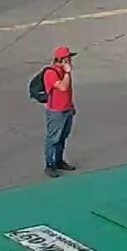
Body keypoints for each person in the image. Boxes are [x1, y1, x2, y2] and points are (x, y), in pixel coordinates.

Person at [42, 46, 77, 178]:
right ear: (62, 60)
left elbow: (68, 92)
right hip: (56, 112)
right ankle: (49, 165)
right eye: (68, 59)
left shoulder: (63, 71)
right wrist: (67, 73)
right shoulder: (50, 73)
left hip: (66, 109)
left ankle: (59, 160)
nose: (70, 62)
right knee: (53, 139)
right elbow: (63, 87)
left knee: (62, 137)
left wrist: (71, 106)